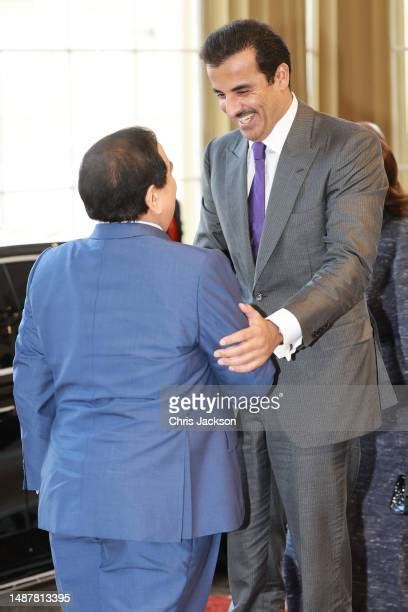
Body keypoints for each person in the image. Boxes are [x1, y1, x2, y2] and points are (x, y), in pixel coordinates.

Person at [13, 127, 274, 612]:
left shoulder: (48, 269)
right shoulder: (198, 270)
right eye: (170, 171)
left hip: (71, 497)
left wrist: (48, 473)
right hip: (165, 505)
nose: (175, 182)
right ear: (154, 195)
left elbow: (32, 385)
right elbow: (249, 386)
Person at [195, 19, 395, 611]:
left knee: (318, 560)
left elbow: (350, 263)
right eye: (220, 95)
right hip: (243, 383)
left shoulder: (348, 146)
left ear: (281, 77)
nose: (232, 108)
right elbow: (212, 251)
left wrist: (275, 329)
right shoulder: (219, 155)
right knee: (250, 558)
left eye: (244, 90)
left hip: (320, 378)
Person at [348, 126, 408, 611]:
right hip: (327, 417)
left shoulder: (400, 237)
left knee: (384, 548)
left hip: (389, 426)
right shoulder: (332, 239)